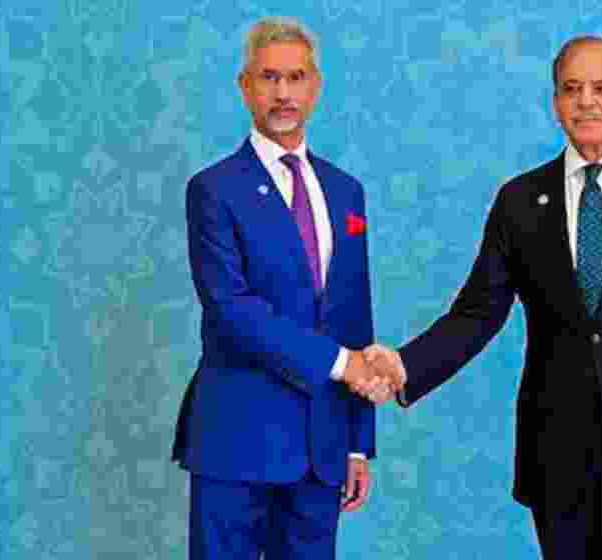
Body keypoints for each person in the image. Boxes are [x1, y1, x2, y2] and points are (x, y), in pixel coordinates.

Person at [366, 35, 602, 558]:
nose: (587, 101)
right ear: (555, 102)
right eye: (572, 88)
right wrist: (404, 366)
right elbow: (476, 313)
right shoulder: (520, 201)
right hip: (557, 452)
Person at [170, 17, 399, 560]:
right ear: (245, 87)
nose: (283, 93)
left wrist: (358, 444)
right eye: (269, 78)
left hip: (323, 446)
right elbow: (232, 310)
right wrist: (343, 364)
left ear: (315, 87)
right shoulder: (213, 189)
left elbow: (354, 316)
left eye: (296, 78)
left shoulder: (346, 192)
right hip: (237, 439)